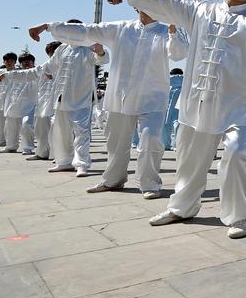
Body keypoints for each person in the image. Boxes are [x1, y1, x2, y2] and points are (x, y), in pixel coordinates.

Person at [106, 0, 246, 240]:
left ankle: (238, 216)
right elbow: (165, 1)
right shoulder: (200, 11)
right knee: (190, 160)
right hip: (198, 102)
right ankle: (181, 208)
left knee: (237, 156)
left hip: (238, 105)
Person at [29, 11, 189, 198]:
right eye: (142, 4)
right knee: (116, 142)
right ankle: (113, 179)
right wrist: (47, 26)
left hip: (152, 98)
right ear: (136, 7)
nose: (146, 8)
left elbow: (178, 54)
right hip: (120, 96)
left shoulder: (165, 31)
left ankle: (149, 184)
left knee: (151, 139)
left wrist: (173, 32)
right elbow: (88, 30)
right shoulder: (121, 29)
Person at [37, 27, 108, 176]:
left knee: (82, 132)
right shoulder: (62, 48)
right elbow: (50, 65)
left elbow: (102, 59)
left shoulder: (88, 47)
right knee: (60, 132)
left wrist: (100, 51)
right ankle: (63, 162)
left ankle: (82, 164)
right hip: (61, 98)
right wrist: (47, 72)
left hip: (81, 99)